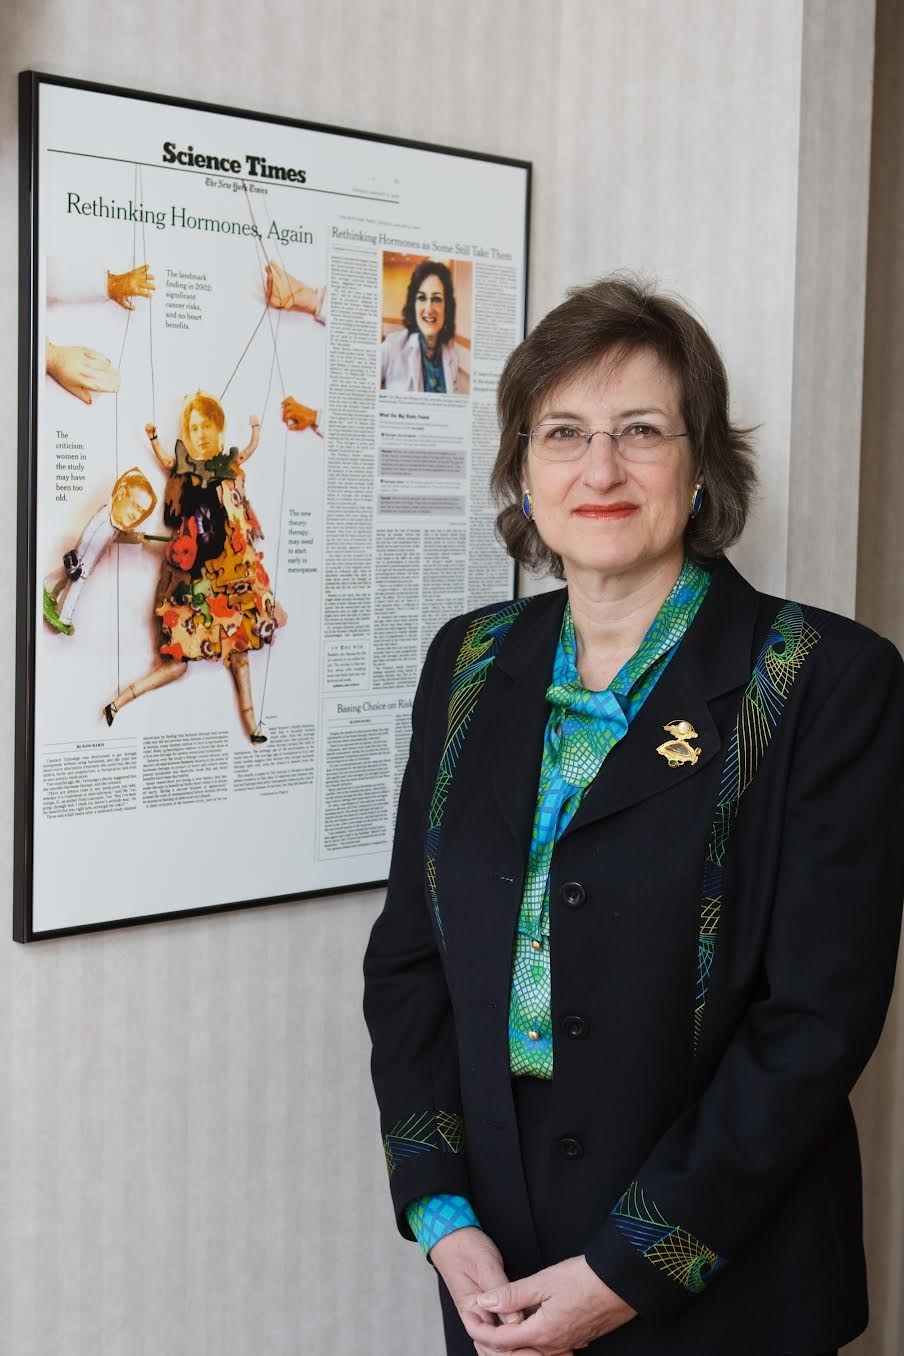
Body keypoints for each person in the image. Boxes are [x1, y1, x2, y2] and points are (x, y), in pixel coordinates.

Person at [363, 276, 904, 1356]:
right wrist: (440, 1213)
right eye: (562, 432)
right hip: (497, 1266)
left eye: (640, 432)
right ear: (522, 466)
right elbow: (412, 959)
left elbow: (812, 1025)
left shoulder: (820, 680)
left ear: (701, 464)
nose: (598, 468)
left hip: (726, 1275)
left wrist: (628, 1267)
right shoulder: (468, 662)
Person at [103, 392, 281, 743]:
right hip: (194, 579)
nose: (200, 433)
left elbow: (249, 451)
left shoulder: (231, 470)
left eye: (207, 425)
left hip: (234, 575)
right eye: (194, 427)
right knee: (176, 663)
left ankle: (252, 726)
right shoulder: (184, 476)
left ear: (218, 428)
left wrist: (256, 429)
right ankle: (119, 701)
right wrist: (154, 440)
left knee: (240, 656)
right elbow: (169, 465)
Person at [380, 259, 465, 394]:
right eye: (421, 298)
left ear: (447, 307)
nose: (429, 309)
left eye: (436, 299)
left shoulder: (452, 357)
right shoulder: (392, 347)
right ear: (413, 304)